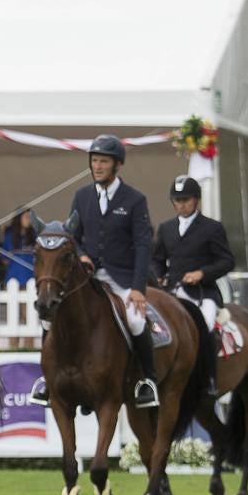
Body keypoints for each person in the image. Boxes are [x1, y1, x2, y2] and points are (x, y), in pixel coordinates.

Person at [29, 134, 158, 408]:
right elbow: (72, 236)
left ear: (117, 165)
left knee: (135, 321)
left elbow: (143, 245)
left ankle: (146, 381)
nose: (98, 166)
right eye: (95, 161)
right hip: (89, 276)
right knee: (49, 316)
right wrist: (84, 255)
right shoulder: (82, 196)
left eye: (104, 162)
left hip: (122, 277)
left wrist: (137, 288)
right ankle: (46, 379)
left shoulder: (134, 200)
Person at [151, 175, 234, 395]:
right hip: (173, 291)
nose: (181, 205)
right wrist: (159, 275)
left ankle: (209, 379)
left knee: (205, 325)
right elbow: (157, 259)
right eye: (177, 201)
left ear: (196, 200)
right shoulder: (166, 228)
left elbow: (227, 261)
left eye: (186, 200)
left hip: (202, 293)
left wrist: (202, 273)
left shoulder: (212, 227)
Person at [0, 212, 36, 285]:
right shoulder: (9, 236)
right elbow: (4, 258)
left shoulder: (34, 235)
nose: (29, 220)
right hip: (14, 275)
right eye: (26, 217)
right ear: (19, 218)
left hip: (31, 276)